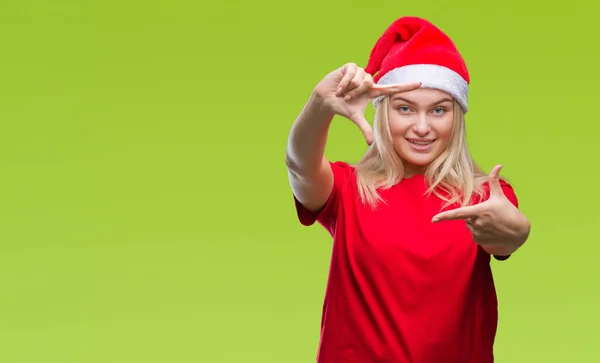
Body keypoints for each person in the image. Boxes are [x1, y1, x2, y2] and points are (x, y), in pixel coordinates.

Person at [284, 16, 532, 363]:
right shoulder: (347, 189)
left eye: (438, 110)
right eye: (405, 108)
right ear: (383, 114)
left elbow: (506, 237)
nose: (421, 127)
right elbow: (299, 165)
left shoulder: (484, 198)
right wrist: (319, 104)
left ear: (456, 117)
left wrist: (518, 231)